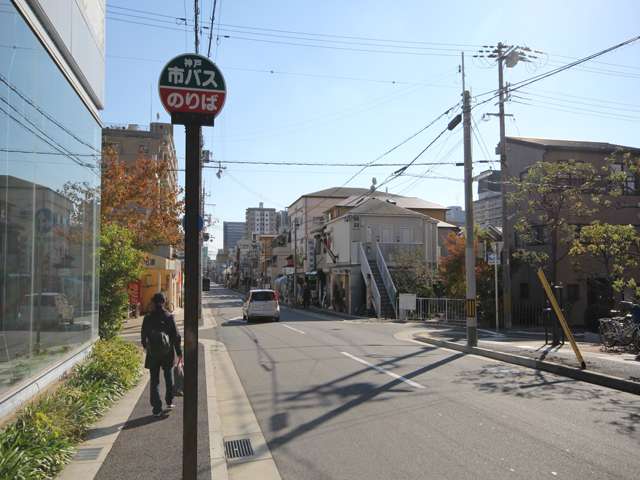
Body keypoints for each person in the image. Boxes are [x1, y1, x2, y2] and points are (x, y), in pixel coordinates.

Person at [141, 292, 182, 417]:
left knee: (154, 380)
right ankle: (169, 402)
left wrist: (146, 347)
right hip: (167, 352)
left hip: (153, 352)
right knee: (168, 377)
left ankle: (156, 409)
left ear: (153, 302)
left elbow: (143, 336)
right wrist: (179, 352)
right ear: (164, 302)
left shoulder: (147, 318)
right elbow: (176, 336)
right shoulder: (169, 317)